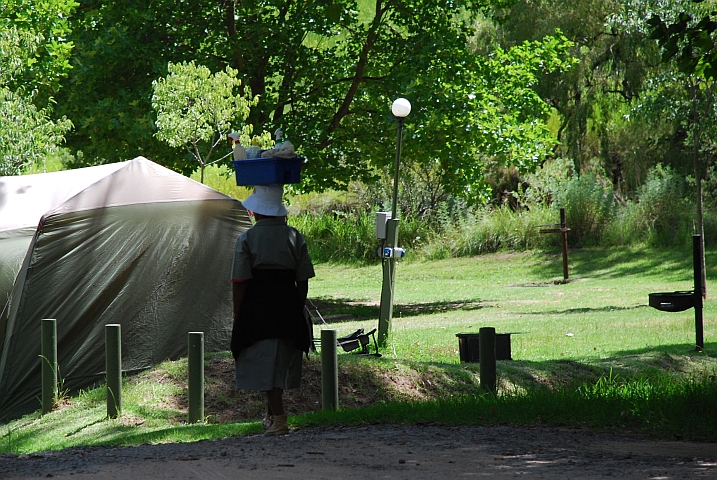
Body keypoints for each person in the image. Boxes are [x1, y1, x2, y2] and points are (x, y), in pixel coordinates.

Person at [230, 184, 315, 436]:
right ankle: (271, 416)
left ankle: (279, 419)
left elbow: (239, 282)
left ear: (256, 213)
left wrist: (238, 314)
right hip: (288, 301)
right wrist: (296, 306)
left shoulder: (246, 239)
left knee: (263, 362)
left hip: (258, 306)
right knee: (280, 360)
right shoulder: (295, 236)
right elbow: (303, 280)